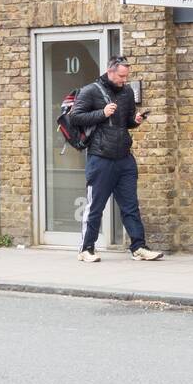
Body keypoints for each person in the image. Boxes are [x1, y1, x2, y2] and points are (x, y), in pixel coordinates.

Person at [69, 56, 162, 263]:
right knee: (95, 206)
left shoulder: (127, 92)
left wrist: (136, 120)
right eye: (121, 76)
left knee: (130, 206)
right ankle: (86, 249)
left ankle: (139, 247)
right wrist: (101, 113)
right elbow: (76, 117)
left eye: (126, 76)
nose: (124, 80)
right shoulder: (90, 91)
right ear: (110, 72)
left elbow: (126, 121)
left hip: (124, 158)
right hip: (100, 157)